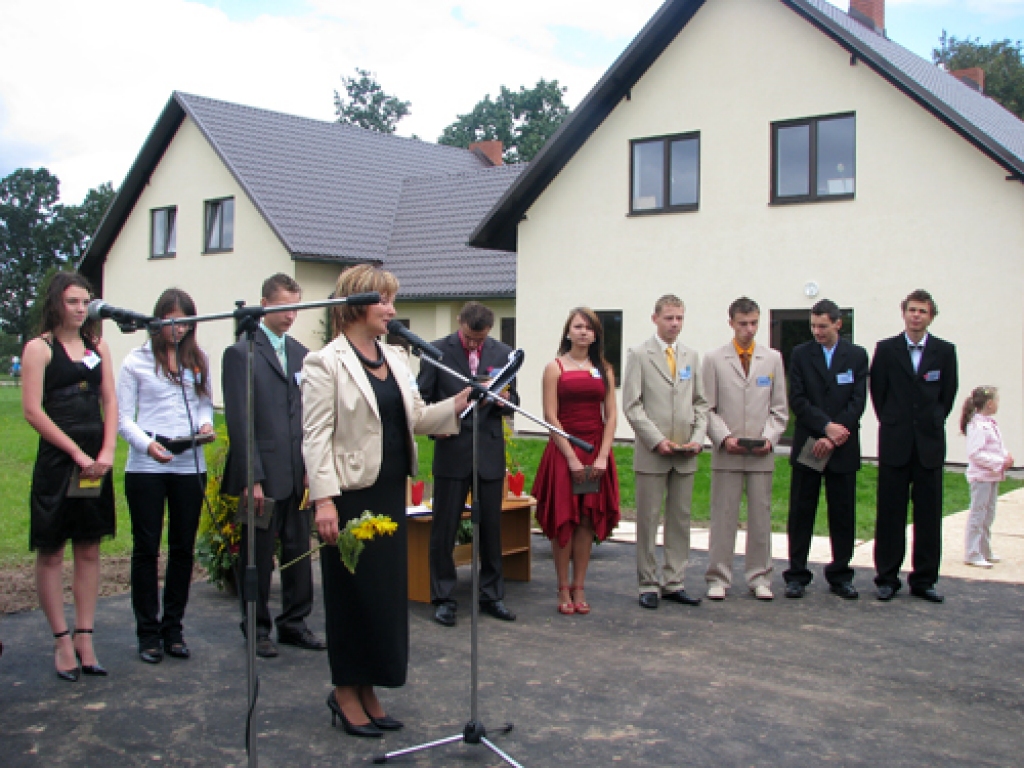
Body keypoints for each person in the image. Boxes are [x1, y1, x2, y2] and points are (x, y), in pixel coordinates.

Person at [302, 264, 469, 738]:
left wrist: (457, 405)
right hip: (350, 497)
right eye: (384, 302)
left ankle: (370, 687)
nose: (393, 311)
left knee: (383, 599)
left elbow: (415, 417)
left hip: (391, 492)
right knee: (352, 596)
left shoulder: (395, 357)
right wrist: (324, 502)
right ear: (356, 304)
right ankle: (344, 691)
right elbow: (315, 437)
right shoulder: (325, 362)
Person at [222, 273, 324, 658]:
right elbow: (239, 420)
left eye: (295, 307)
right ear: (264, 304)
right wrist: (253, 477)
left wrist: (310, 466)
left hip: (296, 473)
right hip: (262, 475)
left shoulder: (301, 354)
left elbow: (306, 414)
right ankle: (257, 627)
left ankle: (295, 622)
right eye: (283, 307)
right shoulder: (241, 353)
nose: (290, 316)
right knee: (257, 557)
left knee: (298, 552)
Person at [22, 272, 117, 681]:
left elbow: (109, 399)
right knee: (52, 550)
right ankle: (61, 640)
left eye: (85, 301)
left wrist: (107, 450)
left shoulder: (98, 347)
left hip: (95, 462)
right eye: (73, 302)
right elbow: (32, 411)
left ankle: (85, 635)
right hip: (61, 462)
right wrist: (76, 452)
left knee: (90, 548)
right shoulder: (38, 349)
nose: (80, 309)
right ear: (57, 304)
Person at [118, 288, 214, 663]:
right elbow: (125, 418)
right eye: (171, 321)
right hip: (148, 464)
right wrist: (146, 446)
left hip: (189, 462)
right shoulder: (135, 361)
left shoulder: (197, 359)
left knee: (182, 548)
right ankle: (147, 632)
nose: (177, 329)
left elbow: (204, 403)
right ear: (157, 321)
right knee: (146, 547)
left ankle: (173, 627)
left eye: (184, 321)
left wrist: (205, 424)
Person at [417, 301, 520, 627]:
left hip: (488, 452)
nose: (475, 345)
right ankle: (444, 598)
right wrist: (440, 426)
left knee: (491, 527)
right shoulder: (435, 351)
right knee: (444, 528)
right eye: (469, 338)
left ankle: (492, 595)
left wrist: (500, 397)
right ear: (459, 323)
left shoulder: (504, 352)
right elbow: (423, 399)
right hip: (452, 451)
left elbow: (514, 400)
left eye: (480, 340)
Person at [870, 289, 958, 603]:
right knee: (890, 514)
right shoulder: (887, 349)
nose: (916, 315)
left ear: (931, 316)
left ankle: (924, 580)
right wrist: (896, 423)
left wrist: (929, 422)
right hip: (895, 443)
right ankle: (887, 578)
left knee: (928, 516)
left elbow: (946, 397)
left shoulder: (945, 352)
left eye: (922, 311)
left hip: (929, 447)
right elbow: (878, 394)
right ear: (903, 313)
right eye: (911, 310)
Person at [622, 295, 708, 611]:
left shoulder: (690, 356)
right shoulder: (639, 355)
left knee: (680, 519)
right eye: (669, 317)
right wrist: (656, 440)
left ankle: (675, 581)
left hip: (685, 452)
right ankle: (647, 582)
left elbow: (701, 403)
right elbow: (632, 405)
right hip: (653, 452)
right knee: (648, 519)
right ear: (655, 318)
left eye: (680, 318)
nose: (675, 323)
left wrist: (698, 438)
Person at [532, 308, 620, 615]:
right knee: (564, 519)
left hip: (595, 450)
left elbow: (611, 415)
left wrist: (603, 455)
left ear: (596, 334)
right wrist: (570, 456)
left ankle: (579, 586)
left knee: (585, 521)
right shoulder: (554, 368)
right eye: (578, 326)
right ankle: (562, 588)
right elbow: (549, 416)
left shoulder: (604, 369)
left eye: (589, 328)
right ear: (568, 332)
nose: (583, 332)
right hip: (563, 450)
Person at [703, 297, 788, 601]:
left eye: (754, 323)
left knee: (760, 518)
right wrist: (724, 438)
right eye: (743, 323)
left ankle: (759, 576)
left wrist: (770, 438)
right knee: (723, 516)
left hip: (760, 453)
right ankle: (718, 577)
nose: (749, 329)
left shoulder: (773, 359)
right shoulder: (714, 359)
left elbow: (779, 409)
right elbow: (707, 408)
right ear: (731, 323)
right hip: (728, 452)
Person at [783, 299, 869, 600]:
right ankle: (796, 575)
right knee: (802, 510)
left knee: (842, 511)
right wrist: (823, 428)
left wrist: (834, 435)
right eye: (813, 326)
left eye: (823, 326)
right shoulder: (801, 354)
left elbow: (858, 401)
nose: (817, 331)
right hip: (811, 443)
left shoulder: (857, 356)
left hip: (842, 445)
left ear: (838, 324)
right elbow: (798, 398)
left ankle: (841, 574)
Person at [960, 386, 1011, 568]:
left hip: (992, 476)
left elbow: (996, 446)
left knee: (989, 513)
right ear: (990, 404)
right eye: (997, 401)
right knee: (978, 513)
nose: (998, 404)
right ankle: (972, 552)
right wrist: (999, 462)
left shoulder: (990, 424)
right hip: (981, 477)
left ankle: (984, 548)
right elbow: (975, 453)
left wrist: (1005, 457)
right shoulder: (977, 425)